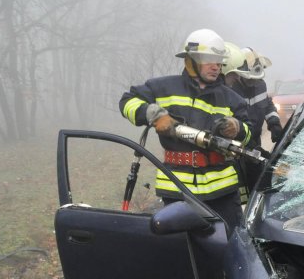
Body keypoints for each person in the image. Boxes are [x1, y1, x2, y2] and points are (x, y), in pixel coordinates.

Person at [119, 28, 252, 230]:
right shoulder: (163, 87)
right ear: (191, 60)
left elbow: (250, 132)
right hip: (176, 188)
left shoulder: (231, 98)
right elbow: (127, 102)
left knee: (232, 245)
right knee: (181, 249)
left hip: (222, 191)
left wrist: (237, 128)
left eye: (219, 62)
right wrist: (153, 114)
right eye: (209, 60)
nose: (216, 67)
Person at [222, 43, 282, 195]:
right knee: (240, 187)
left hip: (255, 141)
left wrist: (274, 124)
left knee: (259, 182)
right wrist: (251, 147)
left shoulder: (260, 85)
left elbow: (267, 106)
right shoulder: (229, 90)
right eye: (250, 80)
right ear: (241, 75)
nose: (253, 82)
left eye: (256, 79)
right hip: (236, 148)